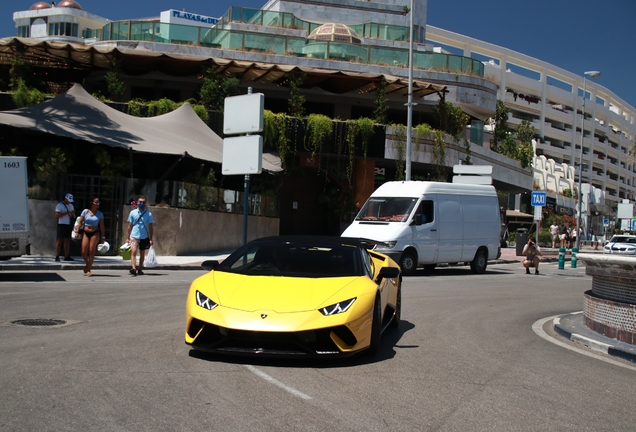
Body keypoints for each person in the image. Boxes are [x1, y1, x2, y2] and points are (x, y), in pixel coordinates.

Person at [126, 195, 154, 276]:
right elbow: (129, 225)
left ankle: (140, 268)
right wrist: (128, 237)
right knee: (134, 251)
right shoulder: (132, 213)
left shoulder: (148, 214)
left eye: (143, 202)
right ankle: (133, 268)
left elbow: (151, 227)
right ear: (137, 203)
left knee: (142, 253)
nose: (142, 203)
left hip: (144, 236)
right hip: (134, 235)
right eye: (140, 202)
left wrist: (150, 239)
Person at [79, 197, 106, 277]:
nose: (98, 204)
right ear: (91, 203)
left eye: (99, 202)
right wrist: (76, 231)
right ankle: (87, 265)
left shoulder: (100, 214)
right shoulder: (85, 211)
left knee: (91, 250)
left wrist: (103, 236)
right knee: (83, 252)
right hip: (86, 232)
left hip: (95, 232)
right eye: (96, 202)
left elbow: (101, 226)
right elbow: (79, 222)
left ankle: (89, 269)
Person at [54, 193, 75, 262]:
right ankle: (57, 255)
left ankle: (67, 255)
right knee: (59, 240)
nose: (69, 202)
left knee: (67, 240)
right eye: (68, 200)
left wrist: (73, 214)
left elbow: (73, 215)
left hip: (68, 224)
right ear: (65, 198)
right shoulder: (59, 205)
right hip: (61, 224)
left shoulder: (71, 206)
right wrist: (67, 213)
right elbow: (57, 215)